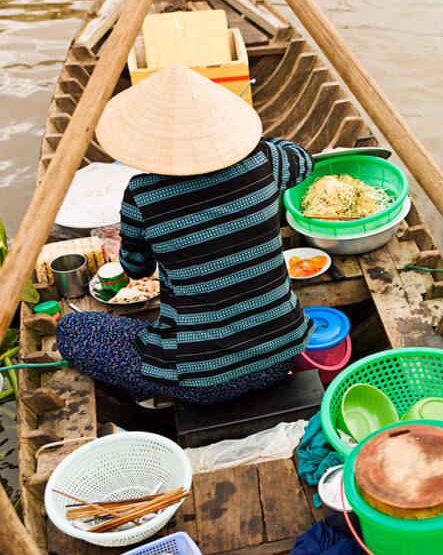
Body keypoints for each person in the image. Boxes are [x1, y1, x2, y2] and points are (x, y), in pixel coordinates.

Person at [56, 64, 315, 404]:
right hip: (281, 356)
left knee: (72, 332)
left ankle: (157, 393)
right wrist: (251, 143)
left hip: (202, 380)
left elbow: (137, 269)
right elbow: (304, 161)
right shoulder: (266, 159)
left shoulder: (142, 193)